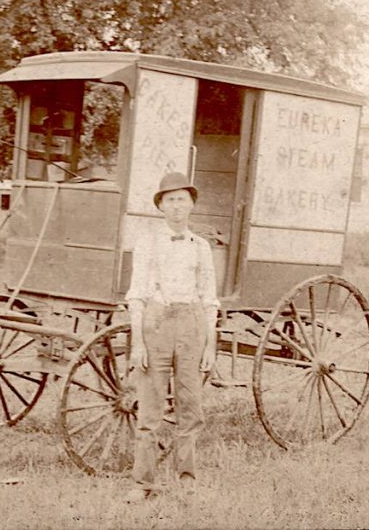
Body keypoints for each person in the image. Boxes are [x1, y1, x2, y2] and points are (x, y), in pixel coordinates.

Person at [124, 171, 219, 502]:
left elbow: (209, 299)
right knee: (150, 408)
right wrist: (138, 343)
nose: (177, 206)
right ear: (161, 206)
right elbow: (136, 294)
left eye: (183, 199)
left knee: (190, 406)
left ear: (191, 205)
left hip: (191, 326)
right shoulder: (148, 242)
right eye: (170, 200)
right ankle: (142, 483)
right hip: (157, 325)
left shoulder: (202, 247)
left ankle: (187, 477)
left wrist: (211, 344)